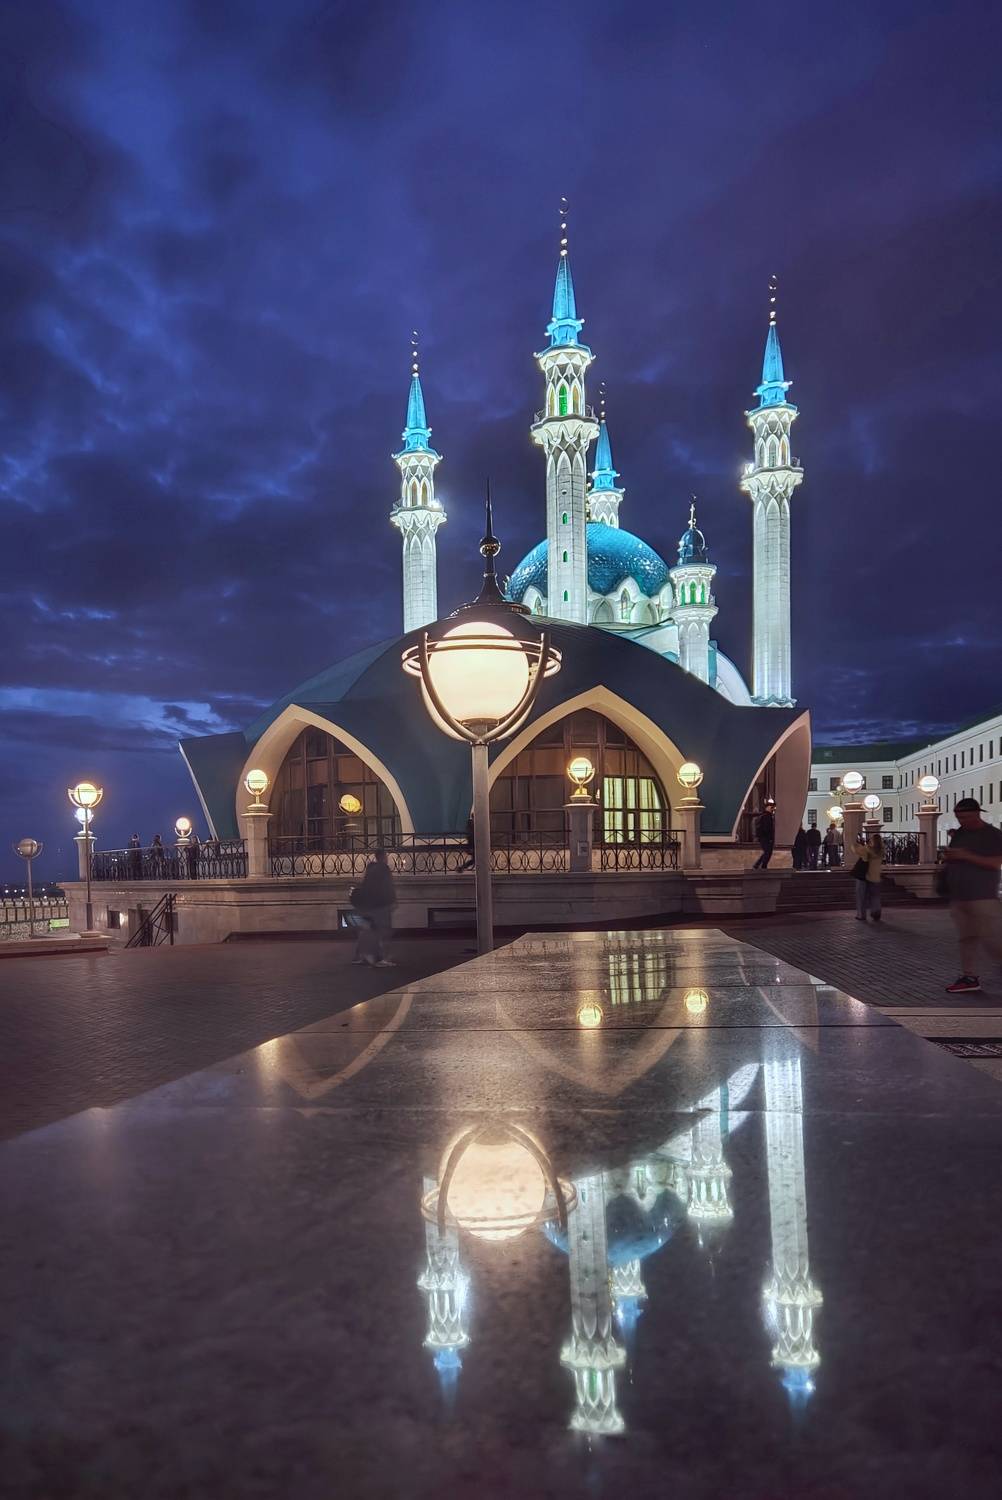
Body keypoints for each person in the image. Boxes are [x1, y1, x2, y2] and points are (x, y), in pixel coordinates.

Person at [940, 797, 1002, 993]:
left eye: (966, 817)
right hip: (960, 896)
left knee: (992, 939)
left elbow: (995, 863)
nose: (962, 821)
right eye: (959, 818)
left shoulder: (993, 835)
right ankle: (969, 977)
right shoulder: (960, 833)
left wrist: (966, 855)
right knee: (967, 938)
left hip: (983, 896)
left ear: (977, 813)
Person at [350, 849, 397, 968]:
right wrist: (393, 900)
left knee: (367, 930)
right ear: (383, 857)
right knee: (384, 931)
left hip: (367, 905)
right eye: (386, 856)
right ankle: (383, 958)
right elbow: (388, 886)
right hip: (381, 905)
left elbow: (364, 884)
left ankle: (361, 956)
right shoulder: (384, 869)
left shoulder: (370, 869)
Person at [850, 830, 884, 921]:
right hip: (876, 876)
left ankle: (861, 915)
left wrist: (857, 843)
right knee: (875, 896)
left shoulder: (868, 850)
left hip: (864, 875)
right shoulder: (881, 851)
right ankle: (876, 912)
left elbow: (855, 849)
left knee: (861, 896)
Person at [751, 799, 776, 870]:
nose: (772, 809)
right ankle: (761, 865)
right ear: (767, 807)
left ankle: (760, 865)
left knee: (767, 852)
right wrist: (770, 837)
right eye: (771, 807)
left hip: (763, 838)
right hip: (766, 838)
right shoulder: (767, 816)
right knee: (768, 852)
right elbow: (767, 828)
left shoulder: (763, 816)